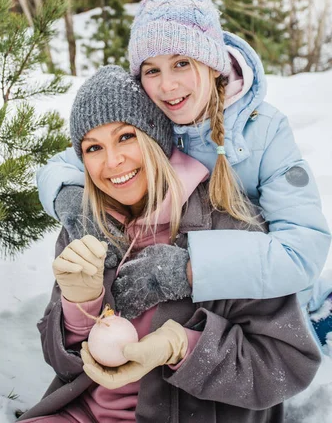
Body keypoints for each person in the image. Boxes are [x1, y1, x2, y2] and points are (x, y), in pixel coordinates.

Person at [36, 0, 331, 348]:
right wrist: (72, 200)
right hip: (196, 309)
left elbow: (301, 251)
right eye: (152, 70)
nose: (167, 86)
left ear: (211, 63)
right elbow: (65, 163)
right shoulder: (150, 121)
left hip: (261, 288)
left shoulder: (264, 130)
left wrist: (189, 269)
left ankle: (319, 307)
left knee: (290, 322)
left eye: (181, 63)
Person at [18, 65, 320, 423]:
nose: (112, 161)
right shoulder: (87, 226)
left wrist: (182, 347)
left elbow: (285, 365)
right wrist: (79, 306)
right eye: (93, 147)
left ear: (156, 137)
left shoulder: (227, 225)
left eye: (126, 137)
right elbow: (62, 364)